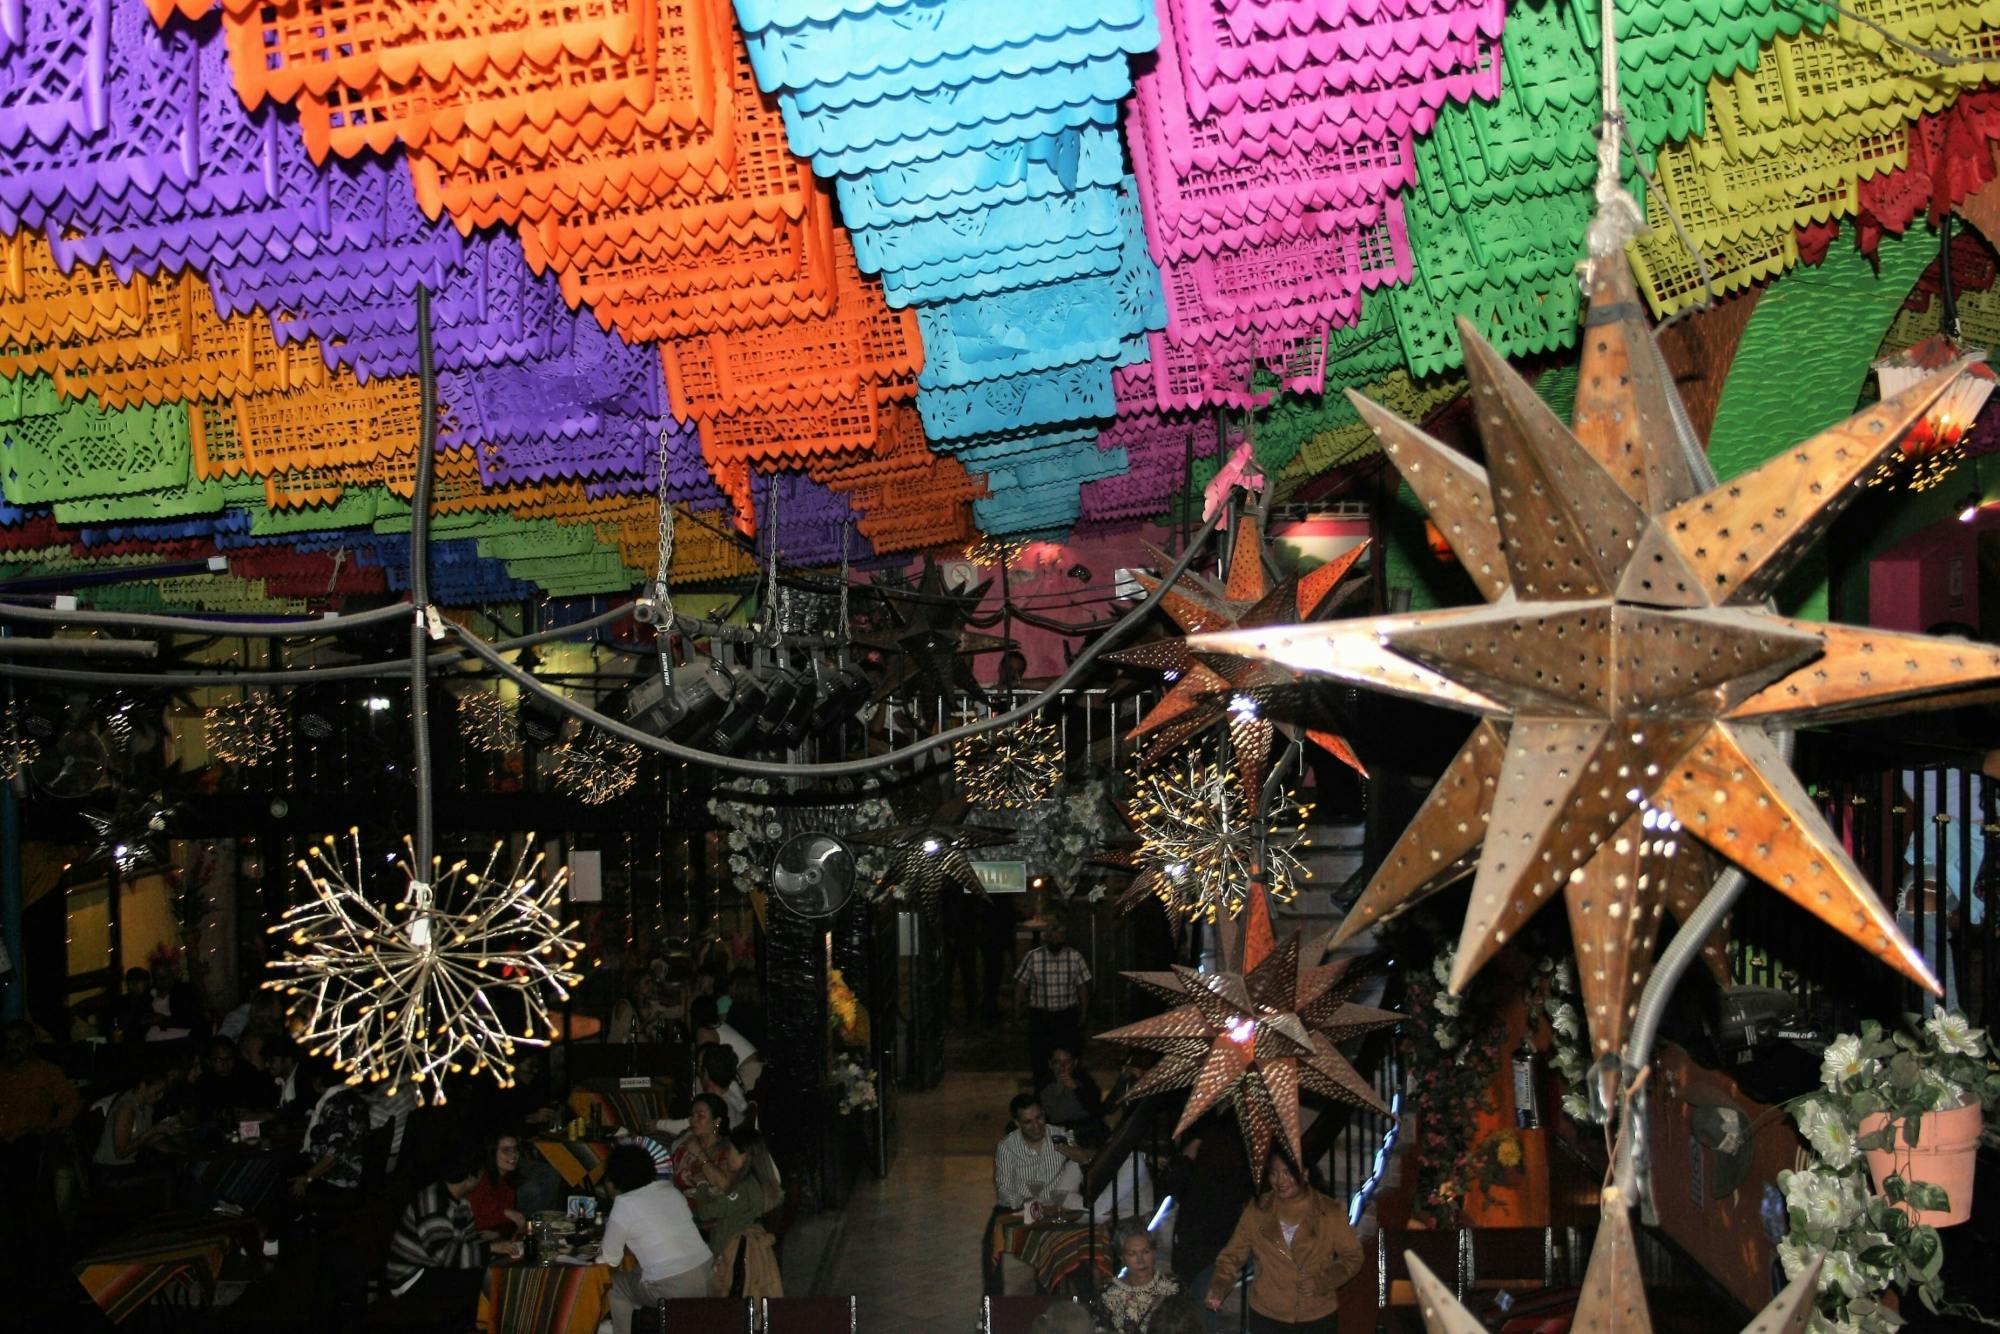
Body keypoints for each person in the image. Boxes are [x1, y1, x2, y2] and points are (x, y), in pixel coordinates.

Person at [1205, 1154, 1363, 1332]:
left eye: (1287, 1173)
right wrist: (1219, 1284)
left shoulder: (1329, 1211)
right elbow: (1233, 1255)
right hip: (1268, 1314)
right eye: (1274, 1173)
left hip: (1316, 1315)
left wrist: (1323, 1281)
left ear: (1304, 1174)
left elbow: (1353, 1257)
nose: (1280, 1180)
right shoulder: (1258, 1210)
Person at [385, 1145, 520, 1309]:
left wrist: (500, 1248)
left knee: (498, 1270)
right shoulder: (433, 1201)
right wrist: (490, 1249)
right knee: (487, 1279)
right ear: (471, 1177)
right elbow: (446, 1255)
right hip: (411, 1277)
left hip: (434, 1268)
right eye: (481, 1173)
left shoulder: (461, 1202)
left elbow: (467, 1243)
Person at [598, 1143, 714, 1334]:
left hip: (674, 1288)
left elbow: (610, 1260)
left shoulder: (624, 1203)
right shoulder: (669, 1189)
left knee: (616, 1286)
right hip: (708, 1276)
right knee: (636, 1273)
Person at [1160, 1124, 1252, 1303]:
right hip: (1202, 1241)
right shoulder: (1228, 1168)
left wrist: (1189, 1153)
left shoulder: (1212, 1167)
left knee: (1201, 1293)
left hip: (1206, 1244)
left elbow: (1173, 1185)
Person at [1015, 918, 1090, 1090]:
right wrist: (1017, 1009)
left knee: (1070, 1053)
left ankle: (1071, 1089)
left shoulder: (1075, 957)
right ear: (1046, 938)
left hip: (1066, 1015)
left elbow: (1082, 986)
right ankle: (1043, 1090)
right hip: (1041, 1016)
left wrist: (1084, 1011)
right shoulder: (1033, 957)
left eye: (1060, 937)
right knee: (1040, 1056)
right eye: (1053, 937)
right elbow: (1021, 985)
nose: (1057, 941)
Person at [993, 1092, 1088, 1213]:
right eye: (1028, 1122)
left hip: (1057, 1206)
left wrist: (1082, 1158)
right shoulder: (1007, 1147)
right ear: (1017, 1123)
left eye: (1039, 1118)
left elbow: (1085, 1166)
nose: (1036, 1126)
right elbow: (1005, 1191)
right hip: (1024, 1208)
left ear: (1043, 1114)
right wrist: (1026, 1202)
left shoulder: (1060, 1135)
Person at [0, 1020, 80, 1145]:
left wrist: (49, 1129)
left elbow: (72, 1103)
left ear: (31, 1042)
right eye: (8, 1041)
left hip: (26, 1142)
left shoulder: (46, 1072)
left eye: (18, 1040)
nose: (12, 1045)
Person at [293, 1066, 368, 1197]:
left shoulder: (337, 1106)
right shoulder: (349, 1096)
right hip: (340, 1172)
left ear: (317, 1081)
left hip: (339, 1180)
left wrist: (307, 1177)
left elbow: (334, 1154)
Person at [1097, 1222, 1181, 1333]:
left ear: (1154, 1252)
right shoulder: (1108, 1295)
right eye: (1132, 1254)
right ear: (1122, 1257)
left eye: (1145, 1252)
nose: (1141, 1261)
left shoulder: (1173, 1288)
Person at [94, 1068, 183, 1169]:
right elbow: (120, 1153)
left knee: (171, 1165)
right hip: (108, 1167)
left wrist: (168, 1133)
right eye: (157, 1092)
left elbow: (147, 1140)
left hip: (127, 1164)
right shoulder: (127, 1108)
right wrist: (153, 1131)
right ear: (143, 1086)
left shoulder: (147, 1106)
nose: (161, 1097)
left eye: (162, 1092)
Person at [669, 1093, 732, 1206]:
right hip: (682, 1210)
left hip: (715, 1213)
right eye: (692, 1115)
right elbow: (669, 1179)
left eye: (700, 1115)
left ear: (717, 1121)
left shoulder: (728, 1150)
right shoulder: (683, 1148)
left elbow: (725, 1185)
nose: (693, 1120)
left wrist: (699, 1153)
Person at [690, 995, 763, 1091]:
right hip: (754, 1067)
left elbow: (709, 1065)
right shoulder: (716, 1025)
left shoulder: (705, 1031)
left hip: (749, 1070)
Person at [468, 1134, 527, 1239]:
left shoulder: (508, 1180)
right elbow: (472, 1218)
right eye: (506, 1150)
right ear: (492, 1153)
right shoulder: (480, 1180)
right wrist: (505, 1213)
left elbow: (507, 1226)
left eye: (515, 1149)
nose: (513, 1155)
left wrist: (500, 1234)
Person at [1039, 1047, 1104, 1131]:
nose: (1062, 1066)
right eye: (1057, 1062)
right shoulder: (1044, 1089)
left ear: (1075, 1063)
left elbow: (1096, 1110)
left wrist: (1076, 1089)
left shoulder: (1087, 1085)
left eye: (1067, 1062)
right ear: (1050, 1064)